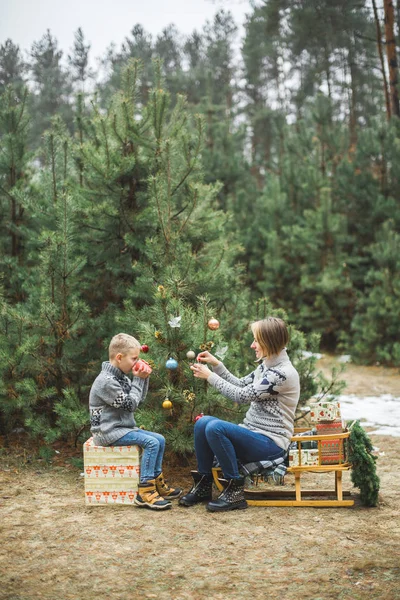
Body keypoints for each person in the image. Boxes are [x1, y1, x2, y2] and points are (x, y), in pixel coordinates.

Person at [179, 317, 300, 512]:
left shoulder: (282, 373)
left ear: (269, 341)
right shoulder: (266, 366)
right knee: (202, 423)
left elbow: (241, 396)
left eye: (256, 340)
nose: (253, 345)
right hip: (253, 434)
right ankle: (203, 485)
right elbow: (241, 383)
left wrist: (210, 376)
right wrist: (217, 364)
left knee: (215, 427)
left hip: (271, 443)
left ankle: (235, 490)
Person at [89, 332, 182, 510]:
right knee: (151, 443)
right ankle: (145, 492)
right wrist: (138, 378)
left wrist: (143, 379)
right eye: (134, 358)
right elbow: (131, 405)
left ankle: (156, 483)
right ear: (119, 357)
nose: (137, 362)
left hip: (121, 428)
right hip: (106, 432)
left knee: (159, 439)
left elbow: (138, 400)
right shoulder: (106, 382)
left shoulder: (120, 376)